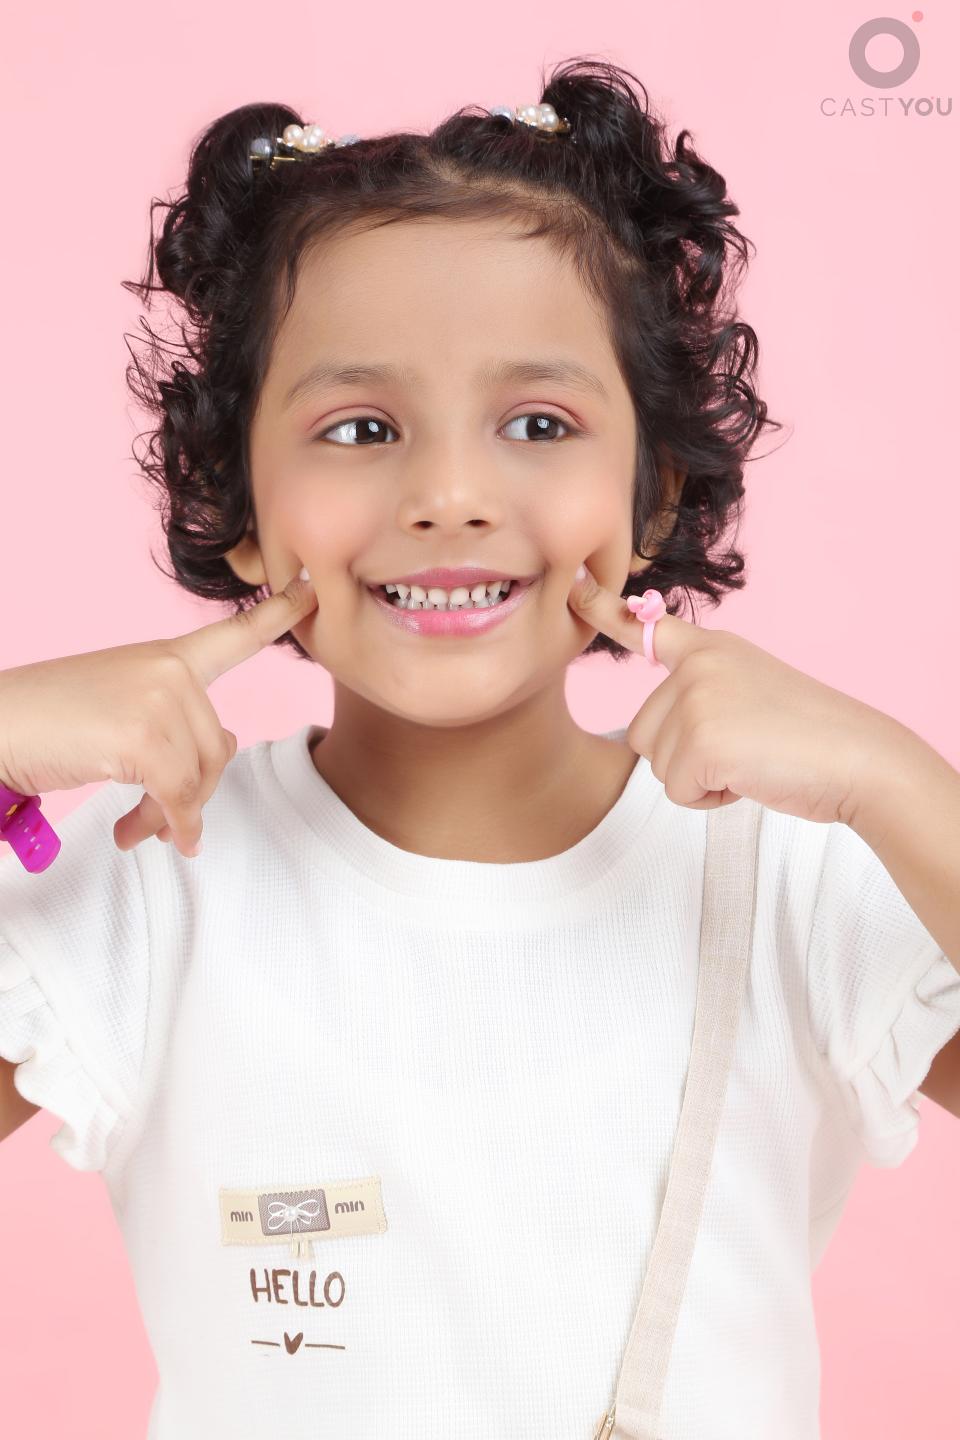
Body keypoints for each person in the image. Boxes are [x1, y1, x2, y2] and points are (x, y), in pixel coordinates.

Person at [1, 56, 959, 1440]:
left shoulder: (804, 876)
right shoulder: (143, 883)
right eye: (360, 428)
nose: (449, 494)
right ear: (237, 500)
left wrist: (896, 780)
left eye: (538, 424)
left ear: (652, 494)